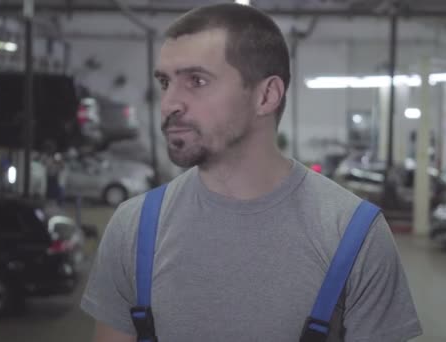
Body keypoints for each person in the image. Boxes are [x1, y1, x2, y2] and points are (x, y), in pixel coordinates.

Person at [81, 4, 422, 342]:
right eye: (165, 82)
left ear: (266, 96)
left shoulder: (354, 236)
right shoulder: (133, 228)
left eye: (196, 81)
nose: (170, 103)